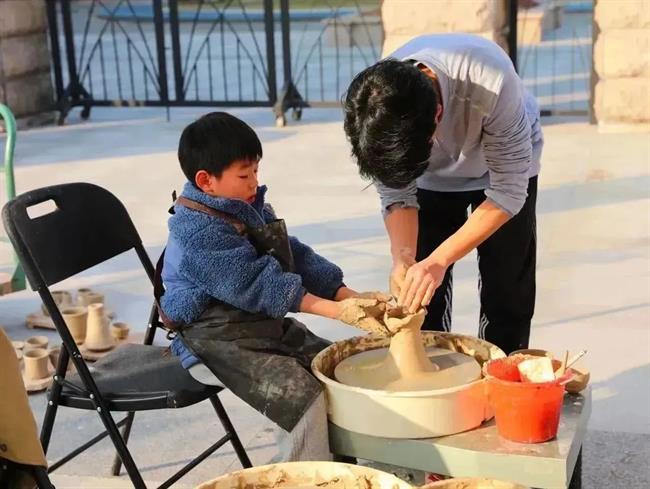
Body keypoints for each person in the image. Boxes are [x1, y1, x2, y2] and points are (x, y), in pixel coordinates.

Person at [158, 112, 388, 462]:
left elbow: (295, 256)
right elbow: (258, 284)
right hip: (212, 340)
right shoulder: (196, 232)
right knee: (302, 398)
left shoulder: (244, 206)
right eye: (244, 175)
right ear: (206, 181)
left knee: (336, 369)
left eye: (256, 171)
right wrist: (339, 312)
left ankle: (342, 472)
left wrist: (349, 296)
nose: (254, 182)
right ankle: (307, 480)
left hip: (258, 326)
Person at [343, 34, 543, 354]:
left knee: (506, 287)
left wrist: (440, 260)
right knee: (422, 291)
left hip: (505, 167)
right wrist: (403, 256)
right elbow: (397, 189)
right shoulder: (378, 104)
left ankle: (503, 370)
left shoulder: (491, 80)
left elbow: (509, 191)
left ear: (438, 114)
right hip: (429, 175)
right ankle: (434, 365)